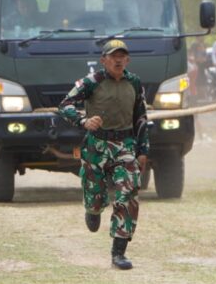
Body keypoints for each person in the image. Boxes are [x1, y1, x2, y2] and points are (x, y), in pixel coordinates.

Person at [58, 39, 149, 270]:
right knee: (96, 197)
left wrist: (143, 150)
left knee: (128, 192)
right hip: (96, 147)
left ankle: (119, 252)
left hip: (125, 145)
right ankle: (93, 208)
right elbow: (65, 105)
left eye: (122, 56)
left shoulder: (135, 82)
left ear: (127, 59)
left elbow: (141, 117)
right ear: (103, 60)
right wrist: (83, 120)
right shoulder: (91, 82)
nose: (118, 59)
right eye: (113, 56)